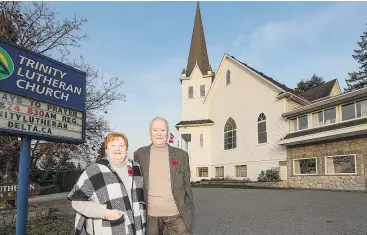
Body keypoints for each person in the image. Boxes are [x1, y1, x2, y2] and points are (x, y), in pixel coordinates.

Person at [68, 132, 146, 235]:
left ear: (126, 150)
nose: (117, 149)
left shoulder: (136, 168)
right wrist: (104, 213)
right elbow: (76, 202)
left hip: (138, 230)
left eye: (121, 145)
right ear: (106, 150)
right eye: (112, 145)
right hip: (109, 230)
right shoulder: (93, 171)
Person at [134, 116, 194, 235]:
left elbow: (187, 185)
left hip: (177, 213)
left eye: (163, 130)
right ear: (150, 132)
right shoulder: (140, 154)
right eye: (155, 130)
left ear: (168, 132)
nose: (159, 134)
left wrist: (189, 209)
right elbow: (135, 182)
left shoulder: (181, 155)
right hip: (151, 215)